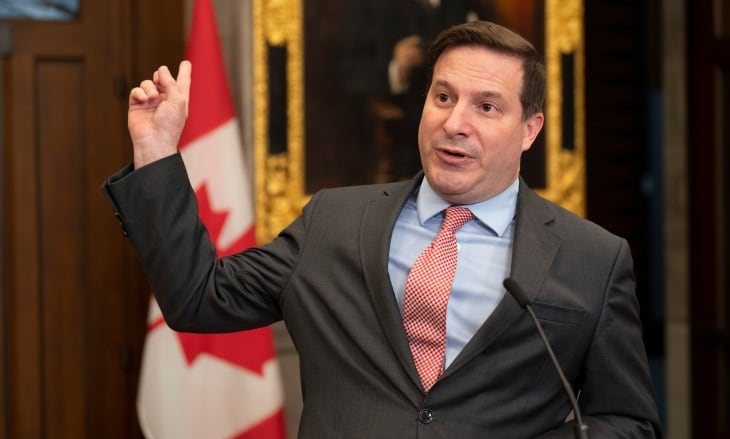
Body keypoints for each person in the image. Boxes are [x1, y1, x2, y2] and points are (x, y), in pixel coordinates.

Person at [103, 21, 663, 438]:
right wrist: (156, 153)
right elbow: (199, 298)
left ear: (529, 129)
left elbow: (628, 421)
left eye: (487, 108)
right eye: (442, 97)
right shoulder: (334, 220)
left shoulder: (593, 257)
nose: (454, 122)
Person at [340, 0, 493, 182]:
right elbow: (350, 73)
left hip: (465, 123)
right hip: (401, 128)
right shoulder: (371, 6)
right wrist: (395, 68)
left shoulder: (469, 5)